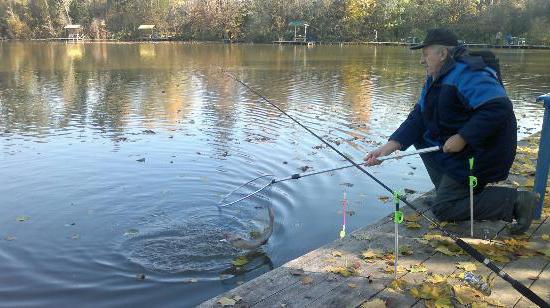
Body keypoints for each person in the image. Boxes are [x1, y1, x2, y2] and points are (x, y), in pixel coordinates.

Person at [364, 28, 537, 235]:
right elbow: (418, 116)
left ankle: (516, 202)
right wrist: (387, 148)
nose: (422, 61)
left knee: (444, 209)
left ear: (442, 54)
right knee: (422, 136)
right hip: (463, 151)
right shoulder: (436, 77)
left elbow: (499, 108)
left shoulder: (468, 74)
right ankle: (449, 192)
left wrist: (463, 136)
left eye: (425, 54)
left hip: (485, 152)